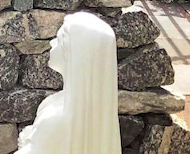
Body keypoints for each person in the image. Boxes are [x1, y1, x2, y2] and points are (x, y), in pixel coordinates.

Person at [16, 11, 121, 154]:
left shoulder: (56, 117)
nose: (52, 43)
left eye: (59, 40)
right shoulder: (97, 111)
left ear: (72, 54)